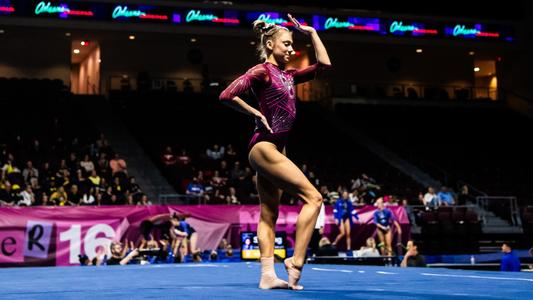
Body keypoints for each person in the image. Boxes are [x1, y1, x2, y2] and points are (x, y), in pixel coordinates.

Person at [219, 14, 331, 290]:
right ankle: (296, 260)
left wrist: (313, 33)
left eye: (293, 45)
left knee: (269, 212)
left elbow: (324, 66)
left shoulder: (289, 75)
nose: (292, 50)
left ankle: (267, 275)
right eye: (287, 44)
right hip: (264, 146)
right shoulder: (262, 71)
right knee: (314, 198)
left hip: (276, 148)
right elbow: (226, 95)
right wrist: (254, 111)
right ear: (270, 44)